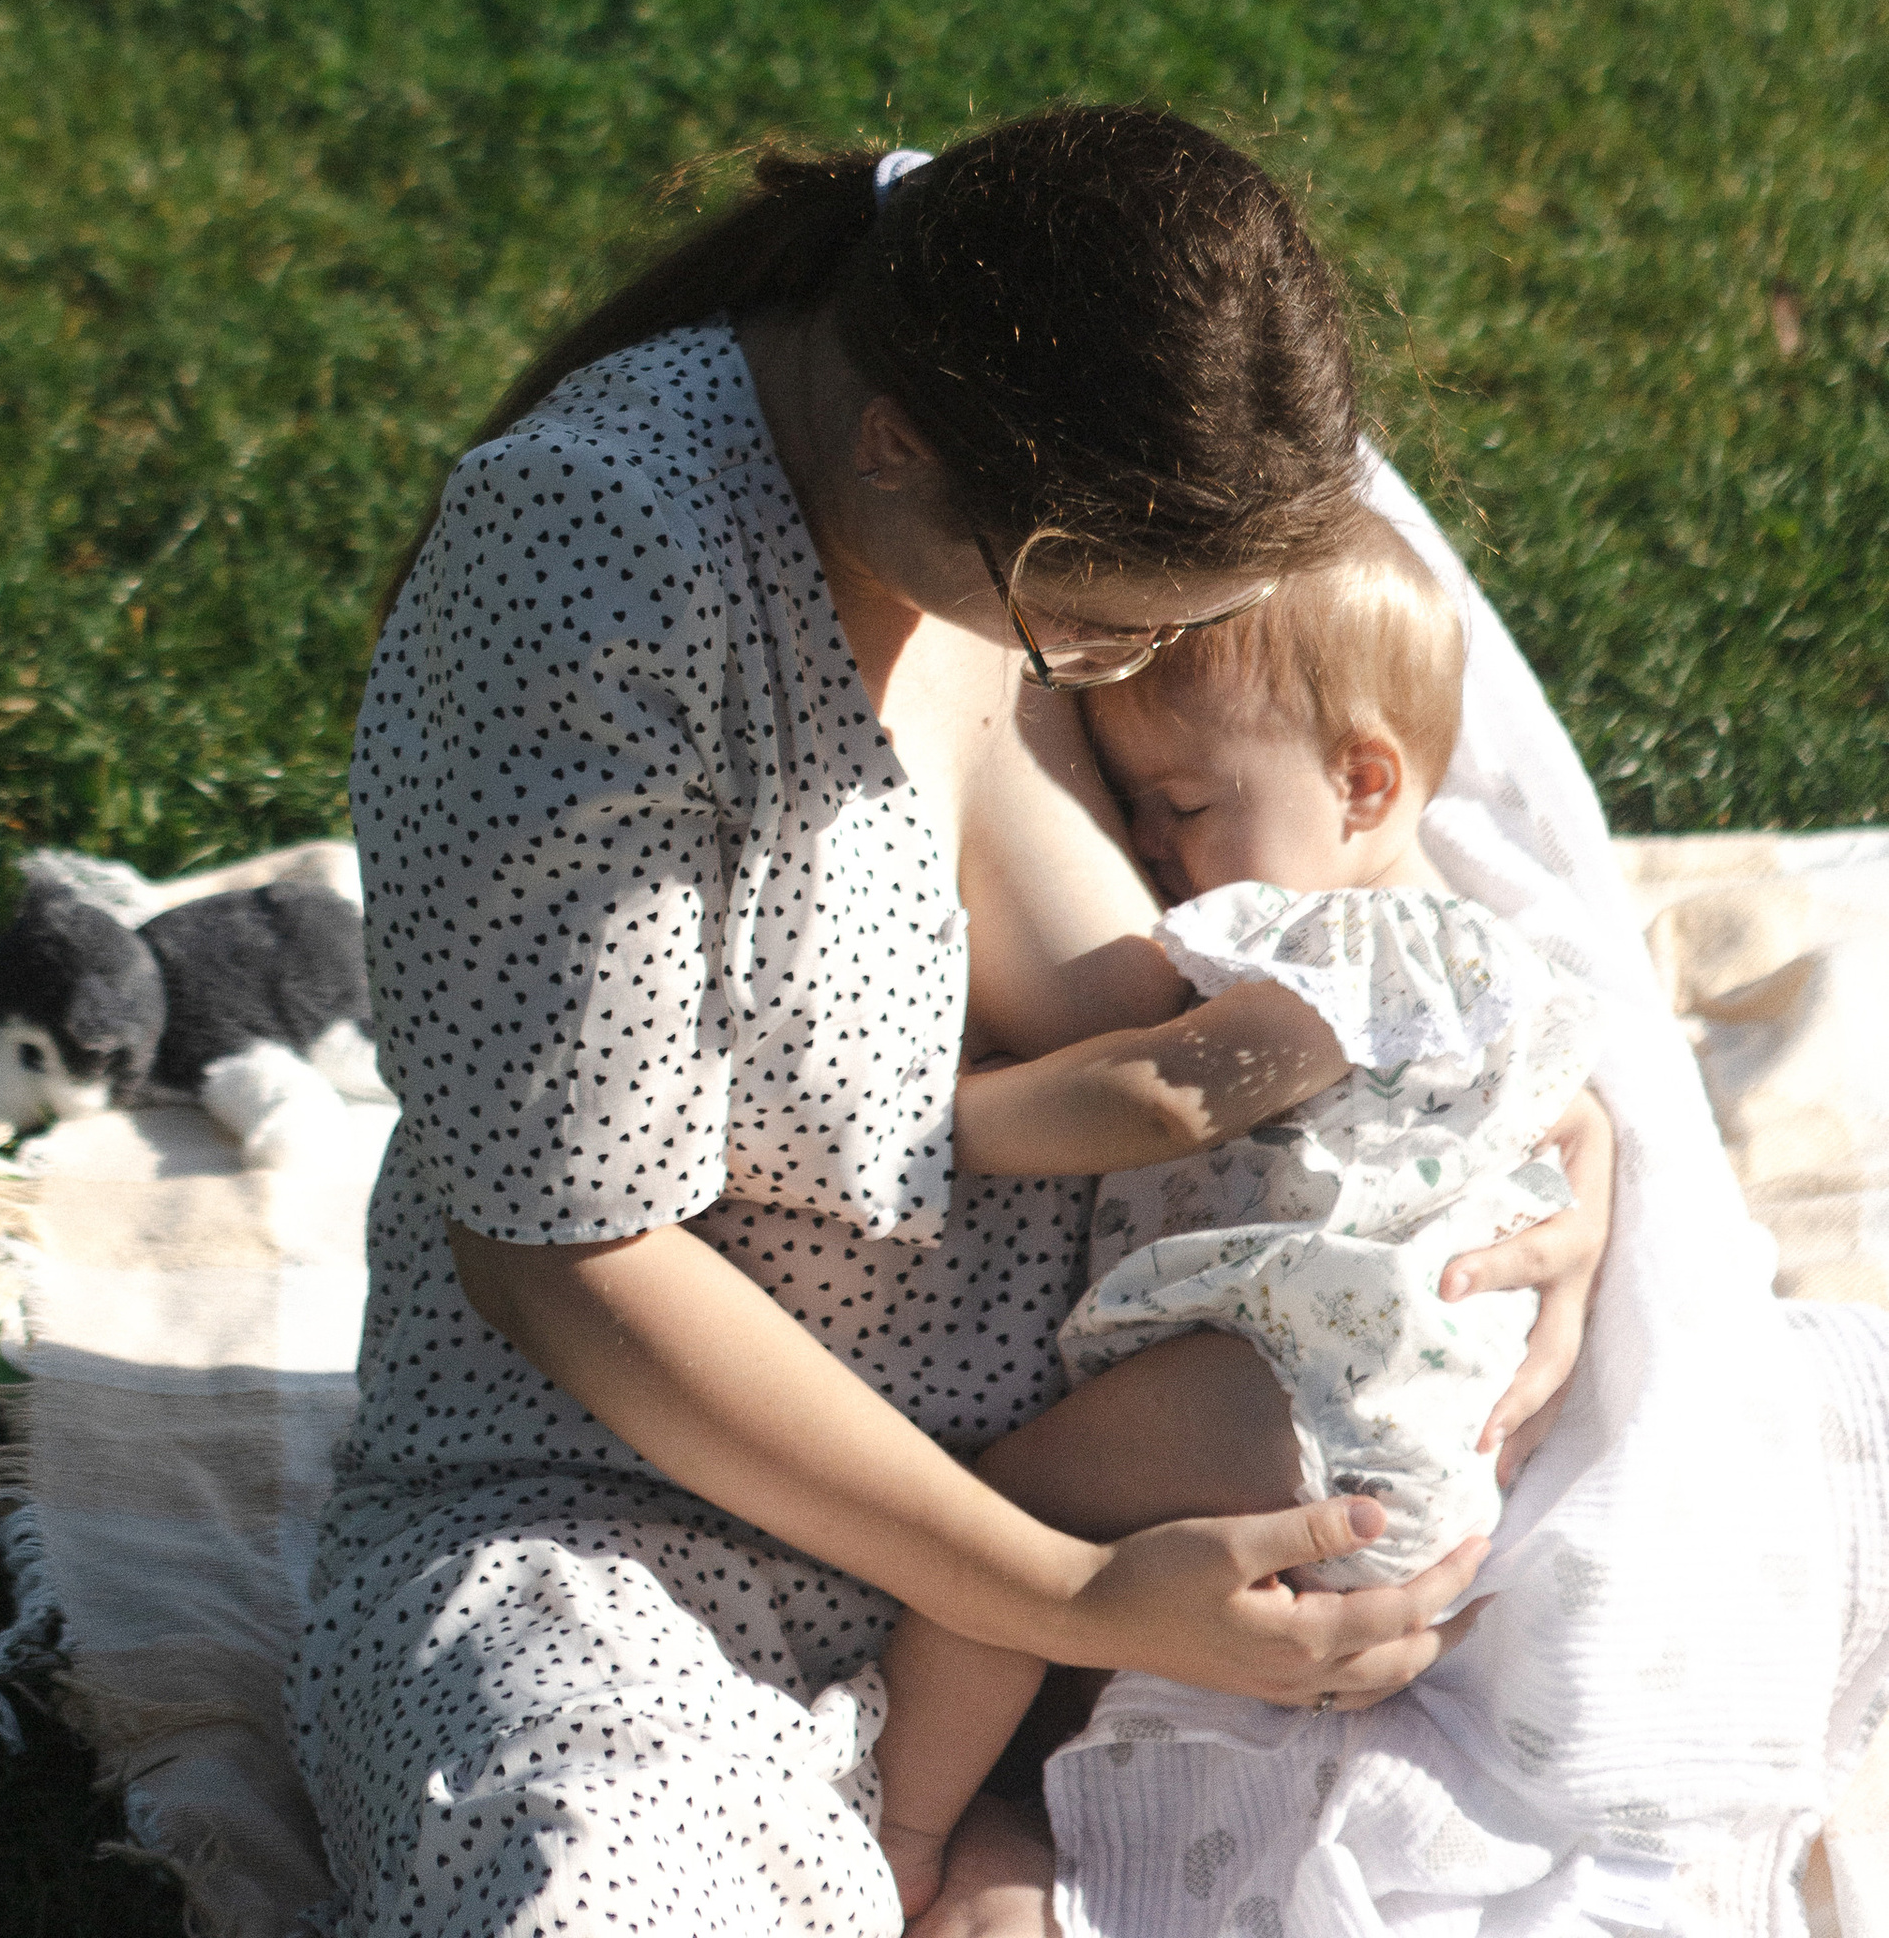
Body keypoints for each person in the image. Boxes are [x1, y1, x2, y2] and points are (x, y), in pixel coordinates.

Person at [289, 113, 1613, 1938]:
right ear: (896, 447)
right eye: (1090, 638)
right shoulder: (606, 559)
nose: (1121, 696)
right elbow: (561, 1259)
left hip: (1076, 1471)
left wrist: (1539, 1127)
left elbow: (1201, 999)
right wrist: (1054, 1595)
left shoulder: (1016, 483)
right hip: (638, 1514)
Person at [866, 515, 1600, 1920]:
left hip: (1303, 1409)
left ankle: (899, 1826)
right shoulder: (1479, 974)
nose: (1151, 845)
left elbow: (1170, 1098)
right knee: (1082, 1661)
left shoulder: (1366, 946)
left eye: (1183, 801)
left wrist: (919, 1119)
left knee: (997, 1529)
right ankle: (1012, 1844)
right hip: (1367, 1445)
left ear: (1363, 782)